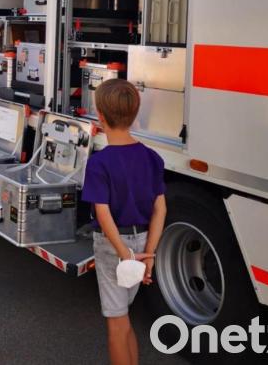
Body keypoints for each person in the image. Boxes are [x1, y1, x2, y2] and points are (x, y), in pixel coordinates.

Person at [80, 79, 167, 365]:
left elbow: (102, 213)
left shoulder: (99, 163)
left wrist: (124, 255)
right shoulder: (152, 158)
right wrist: (148, 254)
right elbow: (160, 209)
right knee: (124, 317)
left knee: (116, 325)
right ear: (135, 114)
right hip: (142, 243)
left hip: (113, 248)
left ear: (100, 117)